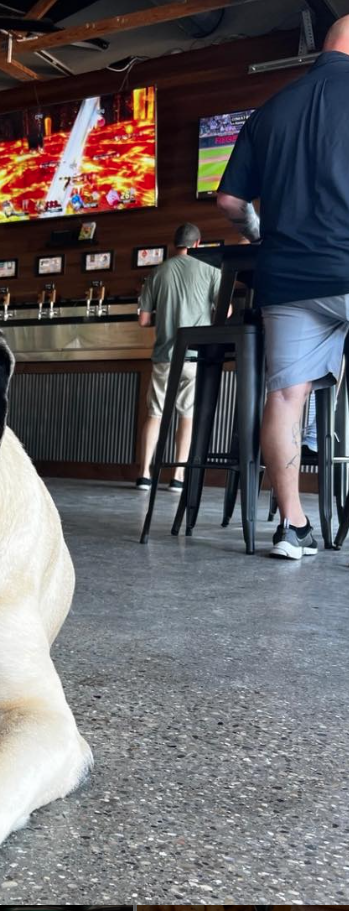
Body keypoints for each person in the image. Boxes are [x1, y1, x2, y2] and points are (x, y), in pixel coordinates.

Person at [217, 15, 349, 559]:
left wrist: (259, 233)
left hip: (289, 276)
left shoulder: (271, 109)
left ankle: (292, 527)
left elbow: (229, 203)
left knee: (286, 395)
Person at [135, 223, 221, 492]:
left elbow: (143, 320)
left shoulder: (157, 272)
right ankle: (178, 477)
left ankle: (144, 475)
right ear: (198, 244)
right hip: (196, 356)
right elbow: (226, 311)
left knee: (155, 413)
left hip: (165, 355)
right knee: (187, 414)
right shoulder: (211, 271)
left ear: (175, 244)